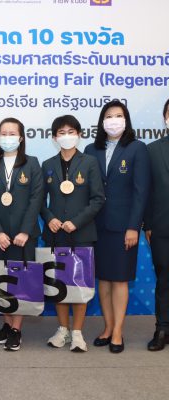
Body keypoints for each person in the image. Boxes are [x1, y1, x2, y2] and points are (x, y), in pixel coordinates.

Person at [85, 100, 150, 353]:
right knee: (103, 279)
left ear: (126, 120)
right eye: (109, 116)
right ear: (102, 121)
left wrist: (134, 226)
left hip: (124, 227)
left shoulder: (137, 148)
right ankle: (107, 327)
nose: (114, 120)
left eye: (118, 115)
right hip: (96, 225)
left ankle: (118, 332)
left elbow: (141, 192)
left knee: (120, 279)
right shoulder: (91, 149)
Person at [41, 115, 105, 352]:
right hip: (55, 234)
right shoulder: (47, 164)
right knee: (59, 284)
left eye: (71, 132)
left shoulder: (89, 162)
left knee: (80, 285)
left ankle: (77, 332)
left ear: (79, 134)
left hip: (82, 233)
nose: (66, 136)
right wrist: (50, 218)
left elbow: (98, 198)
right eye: (61, 132)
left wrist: (76, 222)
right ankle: (63, 329)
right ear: (54, 137)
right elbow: (39, 201)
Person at [0, 117, 43, 351]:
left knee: (20, 282)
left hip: (23, 236)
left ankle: (17, 329)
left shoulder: (32, 163)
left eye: (12, 133)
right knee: (1, 282)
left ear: (21, 137)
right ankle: (7, 324)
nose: (8, 137)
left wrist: (25, 231)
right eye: (3, 133)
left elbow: (36, 199)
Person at [144, 99, 169, 351]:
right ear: (165, 117)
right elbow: (146, 192)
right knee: (164, 279)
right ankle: (163, 328)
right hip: (162, 227)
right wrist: (148, 225)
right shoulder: (152, 151)